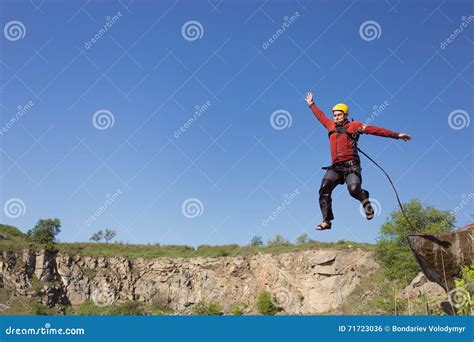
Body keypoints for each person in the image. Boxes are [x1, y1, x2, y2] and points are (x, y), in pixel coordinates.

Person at [305, 91, 412, 230]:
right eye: (335, 115)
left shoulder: (354, 125)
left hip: (351, 166)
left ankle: (365, 200)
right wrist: (311, 104)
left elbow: (374, 130)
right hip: (336, 167)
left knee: (354, 190)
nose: (336, 117)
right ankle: (326, 221)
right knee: (324, 188)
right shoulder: (330, 125)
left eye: (339, 115)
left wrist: (396, 135)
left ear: (346, 115)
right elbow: (320, 116)